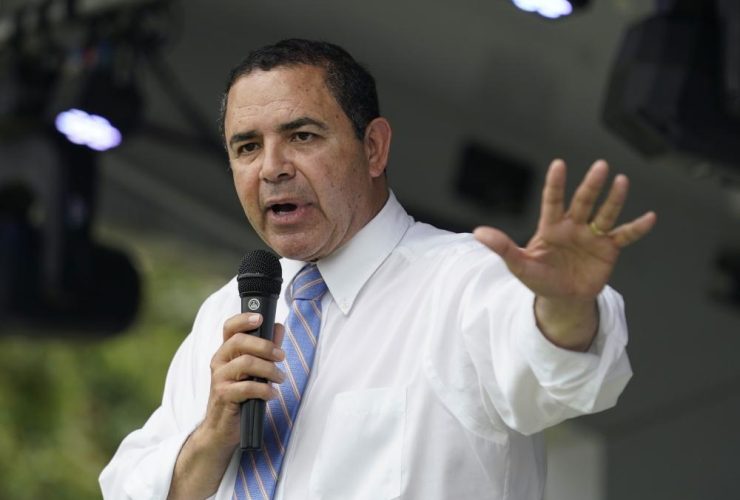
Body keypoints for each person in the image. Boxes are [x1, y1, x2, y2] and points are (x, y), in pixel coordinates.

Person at [99, 39, 656, 500]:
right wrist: (213, 436)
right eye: (247, 147)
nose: (271, 168)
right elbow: (129, 489)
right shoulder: (228, 310)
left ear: (373, 147)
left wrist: (565, 306)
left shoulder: (462, 280)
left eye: (301, 136)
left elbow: (564, 378)